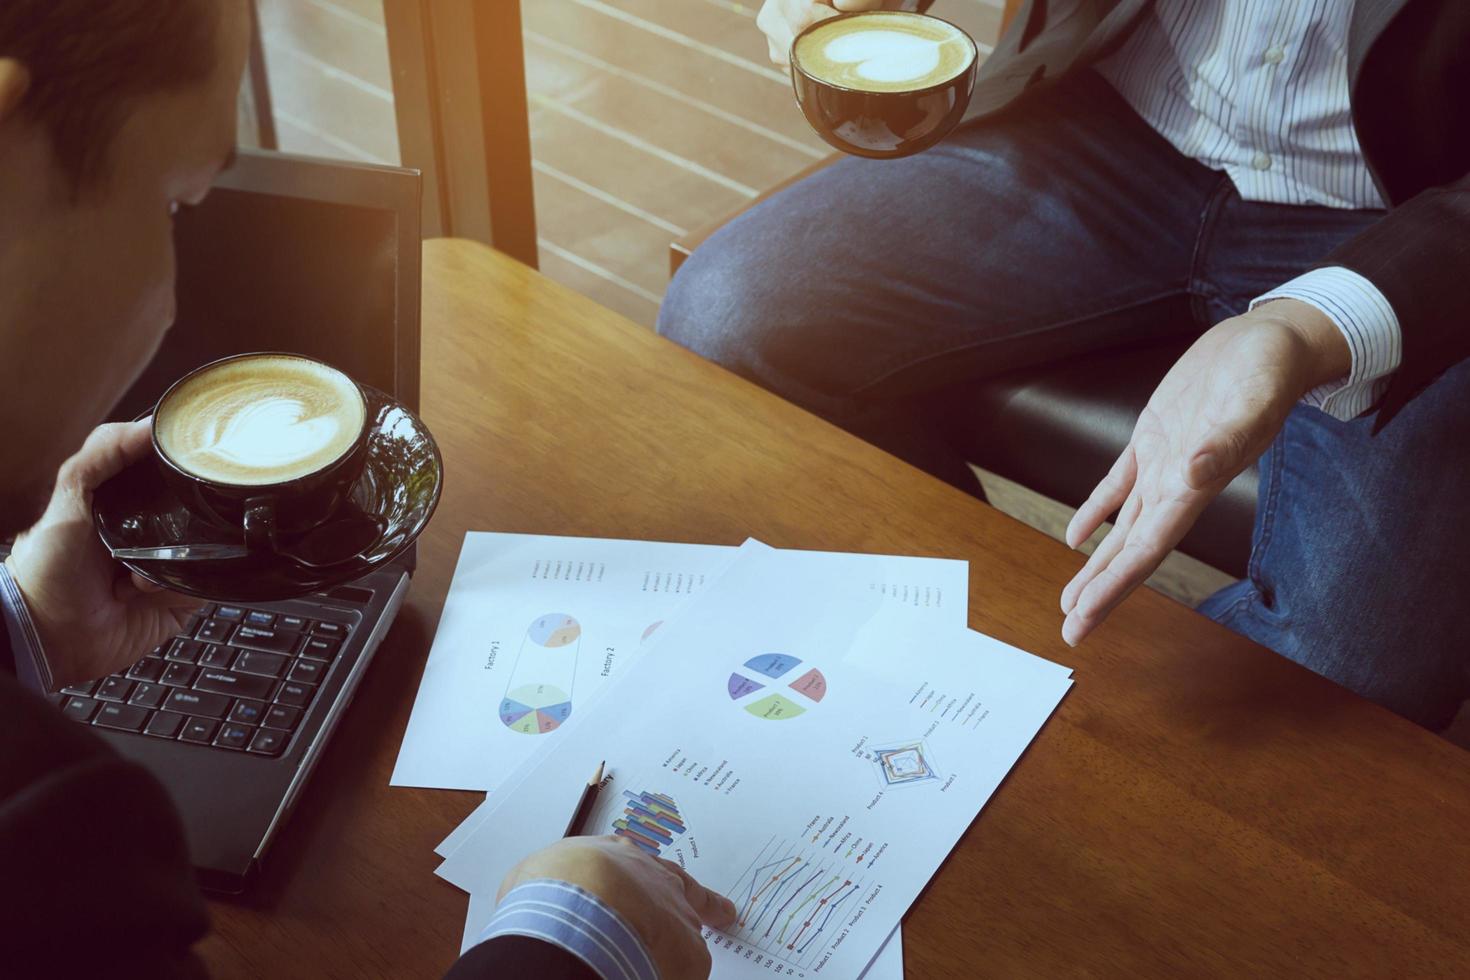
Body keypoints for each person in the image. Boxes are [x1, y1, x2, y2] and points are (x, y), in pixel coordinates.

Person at [0, 2, 732, 977]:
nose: (171, 296)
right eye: (177, 199)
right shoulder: (52, 827)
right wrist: (575, 939)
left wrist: (25, 627)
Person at [660, 0, 1470, 731]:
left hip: (1410, 215)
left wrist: (1309, 324)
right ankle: (955, 668)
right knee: (725, 321)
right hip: (1119, 117)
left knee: (1353, 660)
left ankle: (1084, 771)